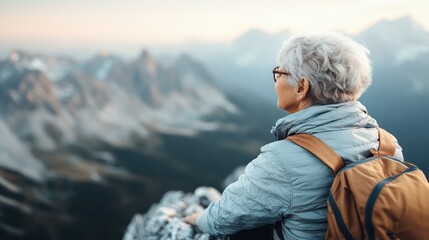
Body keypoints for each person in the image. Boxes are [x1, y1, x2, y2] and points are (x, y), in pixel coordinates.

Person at [184, 32, 404, 239]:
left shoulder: (284, 159)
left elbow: (226, 216)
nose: (276, 80)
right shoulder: (388, 144)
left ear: (301, 87)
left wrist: (199, 219)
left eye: (280, 73)